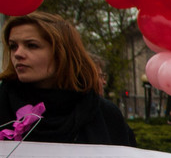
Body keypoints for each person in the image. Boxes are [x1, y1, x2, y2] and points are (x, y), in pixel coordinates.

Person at [0, 12, 135, 146]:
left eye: (32, 45)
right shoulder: (3, 103)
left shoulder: (104, 114)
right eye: (13, 46)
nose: (17, 54)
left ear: (61, 52)